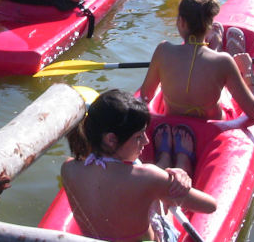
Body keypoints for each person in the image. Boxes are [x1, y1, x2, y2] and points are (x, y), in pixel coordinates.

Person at [62, 89, 216, 242]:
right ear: (111, 140)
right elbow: (210, 206)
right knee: (163, 205)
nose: (146, 141)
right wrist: (178, 181)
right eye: (138, 136)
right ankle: (181, 161)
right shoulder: (148, 177)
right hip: (150, 232)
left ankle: (164, 158)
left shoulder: (68, 169)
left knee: (155, 188)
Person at [139, 0, 254, 123]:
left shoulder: (163, 51)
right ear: (209, 25)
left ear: (181, 22)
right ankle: (216, 48)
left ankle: (215, 46)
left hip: (173, 124)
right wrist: (248, 72)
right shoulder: (225, 62)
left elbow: (146, 95)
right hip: (212, 127)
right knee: (224, 87)